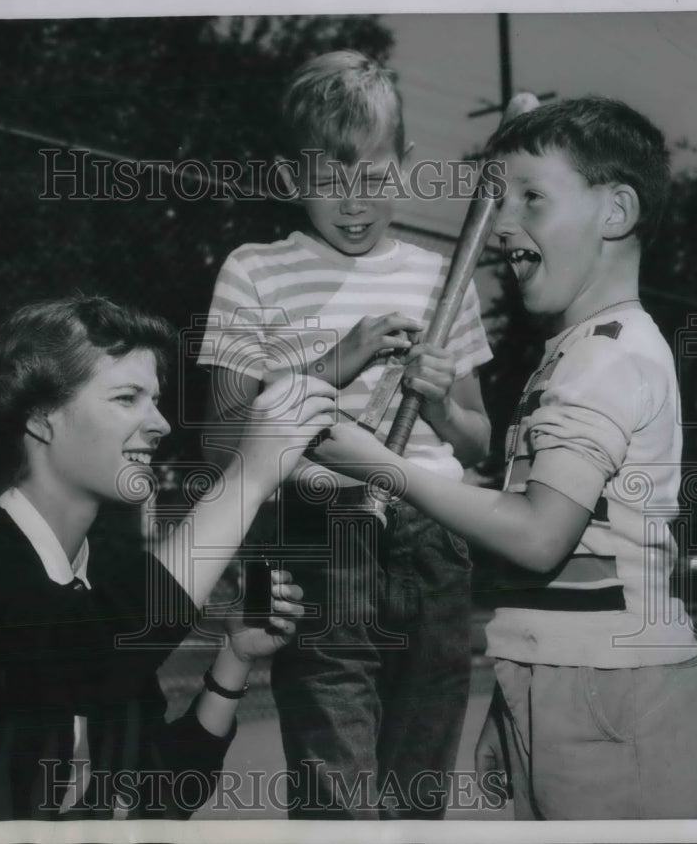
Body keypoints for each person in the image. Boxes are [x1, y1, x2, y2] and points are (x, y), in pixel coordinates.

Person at [310, 96, 697, 820]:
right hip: (573, 679)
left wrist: (383, 466)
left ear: (615, 212)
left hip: (608, 690)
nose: (499, 222)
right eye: (499, 197)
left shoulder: (606, 358)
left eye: (530, 196)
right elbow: (543, 493)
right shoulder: (579, 351)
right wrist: (517, 703)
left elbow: (535, 535)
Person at [0, 295, 336, 821]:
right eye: (128, 398)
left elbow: (160, 790)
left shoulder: (93, 583)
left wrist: (233, 661)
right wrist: (247, 477)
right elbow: (85, 659)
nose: (161, 424)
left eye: (156, 399)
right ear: (42, 418)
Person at [197, 50, 493, 818]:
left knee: (415, 796)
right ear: (292, 178)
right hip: (318, 540)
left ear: (404, 166)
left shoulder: (442, 277)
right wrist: (333, 364)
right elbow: (222, 445)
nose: (354, 203)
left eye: (371, 177)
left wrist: (438, 408)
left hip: (433, 538)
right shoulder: (254, 271)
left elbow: (477, 443)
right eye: (328, 183)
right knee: (340, 802)